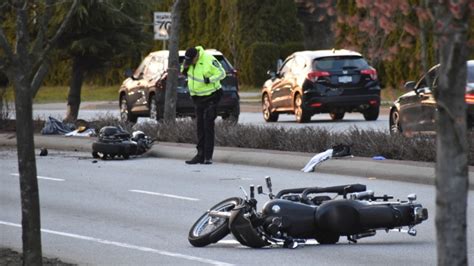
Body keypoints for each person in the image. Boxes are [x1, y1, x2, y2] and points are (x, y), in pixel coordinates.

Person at [181, 46, 225, 165]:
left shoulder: (209, 59)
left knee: (208, 125)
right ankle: (200, 155)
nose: (190, 63)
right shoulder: (189, 62)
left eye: (191, 61)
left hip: (212, 96)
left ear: (197, 56)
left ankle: (208, 156)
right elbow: (184, 71)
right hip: (198, 99)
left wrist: (210, 79)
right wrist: (185, 68)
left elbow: (222, 73)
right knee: (200, 126)